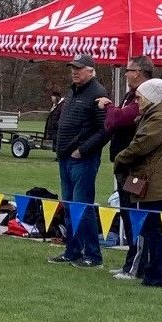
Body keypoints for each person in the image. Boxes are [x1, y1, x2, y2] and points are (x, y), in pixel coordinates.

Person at [112, 78, 162, 288]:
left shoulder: (158, 119)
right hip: (160, 182)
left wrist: (120, 158)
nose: (137, 101)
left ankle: (156, 277)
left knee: (155, 231)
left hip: (159, 184)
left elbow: (140, 145)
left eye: (139, 97)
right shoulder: (154, 116)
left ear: (150, 98)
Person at [94, 56, 156, 279]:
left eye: (128, 70)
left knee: (135, 217)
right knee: (127, 214)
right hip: (124, 166)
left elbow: (118, 120)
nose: (126, 73)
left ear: (138, 72)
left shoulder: (144, 96)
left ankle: (136, 266)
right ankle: (130, 262)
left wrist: (109, 106)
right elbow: (112, 122)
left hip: (135, 169)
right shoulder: (132, 95)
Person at [47, 54, 108, 268]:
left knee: (83, 206)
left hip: (83, 159)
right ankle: (72, 250)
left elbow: (105, 130)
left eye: (79, 68)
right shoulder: (72, 91)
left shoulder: (97, 93)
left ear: (91, 71)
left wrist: (83, 150)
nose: (74, 71)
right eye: (73, 67)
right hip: (65, 156)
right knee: (70, 205)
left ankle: (93, 254)